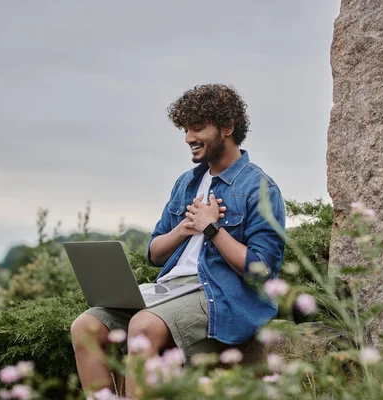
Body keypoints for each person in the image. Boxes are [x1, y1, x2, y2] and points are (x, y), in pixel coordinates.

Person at [70, 84, 286, 396]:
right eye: (185, 130)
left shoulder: (259, 188)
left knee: (143, 328)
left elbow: (261, 272)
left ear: (228, 127)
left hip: (223, 295)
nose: (188, 138)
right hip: (170, 291)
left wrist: (212, 229)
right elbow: (155, 254)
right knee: (86, 327)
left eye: (198, 128)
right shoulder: (187, 183)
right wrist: (184, 229)